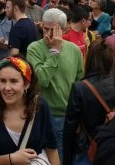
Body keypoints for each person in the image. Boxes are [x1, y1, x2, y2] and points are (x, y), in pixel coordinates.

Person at [0, 56, 60, 165]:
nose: (7, 87)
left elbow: (51, 149)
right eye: (3, 81)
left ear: (27, 84)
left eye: (14, 81)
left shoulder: (40, 107)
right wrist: (10, 159)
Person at [27, 8, 84, 160]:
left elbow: (79, 83)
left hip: (68, 115)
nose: (48, 34)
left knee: (65, 156)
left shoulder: (74, 50)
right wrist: (55, 51)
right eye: (45, 29)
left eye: (54, 30)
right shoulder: (34, 48)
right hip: (42, 113)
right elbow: (42, 80)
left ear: (64, 29)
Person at [63, 39, 115, 165]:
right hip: (113, 144)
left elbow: (70, 126)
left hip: (86, 147)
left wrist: (66, 157)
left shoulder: (80, 87)